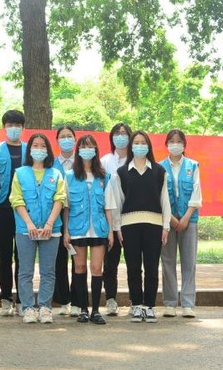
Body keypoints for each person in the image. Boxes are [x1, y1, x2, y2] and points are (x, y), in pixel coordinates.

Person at [110, 131, 171, 323]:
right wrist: (118, 228)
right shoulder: (121, 173)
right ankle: (136, 305)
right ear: (131, 146)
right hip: (129, 226)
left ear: (149, 146)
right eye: (136, 143)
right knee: (133, 267)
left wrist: (166, 226)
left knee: (152, 267)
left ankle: (149, 306)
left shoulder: (159, 171)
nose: (139, 146)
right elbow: (118, 203)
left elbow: (165, 200)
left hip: (154, 225)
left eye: (143, 142)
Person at [10, 133, 66, 324]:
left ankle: (45, 307)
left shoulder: (55, 174)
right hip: (25, 230)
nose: (39, 149)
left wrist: (49, 223)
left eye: (43, 146)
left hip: (52, 230)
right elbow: (16, 199)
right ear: (29, 149)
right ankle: (27, 308)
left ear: (48, 150)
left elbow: (60, 198)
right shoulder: (20, 173)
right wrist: (29, 223)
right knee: (25, 271)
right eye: (35, 145)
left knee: (48, 271)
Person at [63, 135, 115, 324]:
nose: (87, 150)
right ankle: (83, 309)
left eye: (91, 146)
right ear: (78, 150)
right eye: (84, 147)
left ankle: (96, 310)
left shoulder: (104, 177)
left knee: (96, 268)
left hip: (99, 229)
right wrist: (66, 231)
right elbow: (66, 207)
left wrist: (110, 231)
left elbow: (109, 206)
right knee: (79, 267)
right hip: (77, 229)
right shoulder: (70, 176)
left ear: (96, 150)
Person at [159, 129, 202, 318]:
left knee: (189, 262)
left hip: (189, 221)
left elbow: (196, 194)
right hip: (168, 221)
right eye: (171, 141)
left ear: (184, 145)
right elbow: (159, 196)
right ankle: (169, 303)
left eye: (179, 141)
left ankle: (187, 304)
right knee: (167, 261)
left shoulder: (193, 165)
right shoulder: (159, 167)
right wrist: (171, 218)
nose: (175, 144)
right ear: (166, 144)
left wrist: (185, 218)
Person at [0, 109, 27, 316]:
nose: (13, 128)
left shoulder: (30, 149)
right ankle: (5, 298)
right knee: (4, 254)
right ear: (4, 127)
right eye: (10, 125)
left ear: (23, 127)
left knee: (23, 255)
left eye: (17, 125)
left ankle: (22, 299)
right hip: (1, 208)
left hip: (24, 209)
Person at [99, 122, 132, 316]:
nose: (120, 137)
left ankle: (135, 300)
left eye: (124, 133)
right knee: (110, 263)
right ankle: (111, 299)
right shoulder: (105, 161)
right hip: (110, 220)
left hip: (131, 220)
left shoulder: (136, 160)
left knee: (133, 263)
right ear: (111, 137)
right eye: (117, 133)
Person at [52, 125, 78, 316]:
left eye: (70, 136)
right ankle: (64, 300)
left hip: (79, 215)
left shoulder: (83, 163)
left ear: (75, 140)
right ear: (57, 141)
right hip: (57, 214)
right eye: (63, 136)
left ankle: (77, 299)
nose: (66, 139)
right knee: (60, 258)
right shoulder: (51, 164)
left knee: (78, 259)